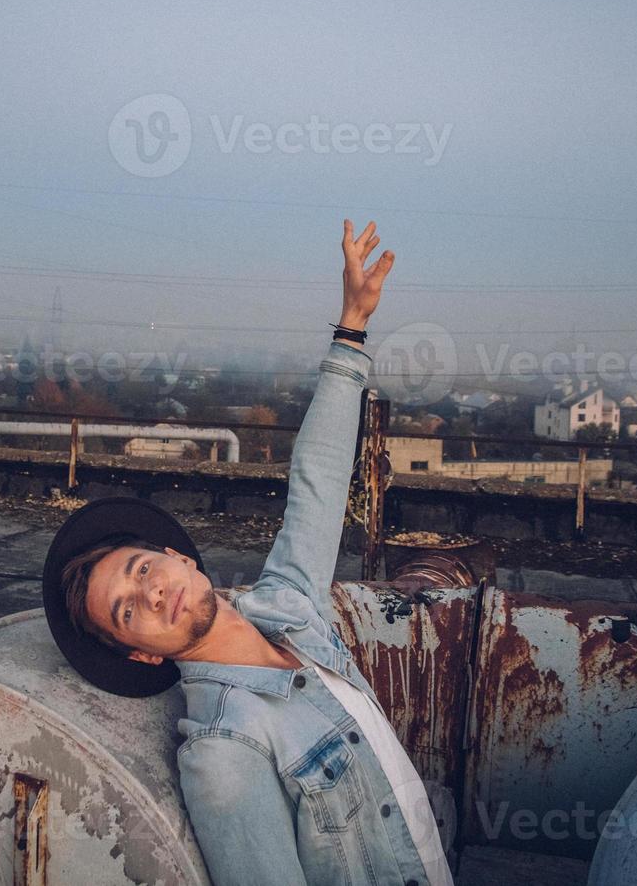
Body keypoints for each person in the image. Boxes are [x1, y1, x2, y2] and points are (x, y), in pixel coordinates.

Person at [41, 220, 452, 886]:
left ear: (180, 558)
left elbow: (317, 484)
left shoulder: (289, 611)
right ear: (144, 653)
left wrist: (351, 327)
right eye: (126, 613)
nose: (149, 593)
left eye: (142, 570)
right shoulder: (222, 753)